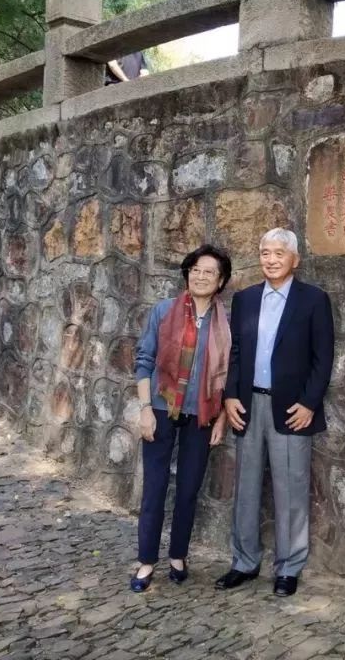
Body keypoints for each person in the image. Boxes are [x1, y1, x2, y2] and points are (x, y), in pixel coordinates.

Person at [214, 228, 335, 597]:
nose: (270, 259)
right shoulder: (246, 299)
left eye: (278, 253)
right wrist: (230, 397)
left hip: (292, 407)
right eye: (265, 252)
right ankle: (244, 561)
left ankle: (289, 567)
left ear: (294, 259)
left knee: (291, 488)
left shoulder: (314, 300)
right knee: (246, 486)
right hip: (249, 404)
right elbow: (234, 354)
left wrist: (310, 403)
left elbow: (323, 357)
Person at [131, 244, 232, 592]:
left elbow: (229, 376)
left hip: (201, 414)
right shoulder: (163, 312)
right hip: (161, 408)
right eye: (196, 270)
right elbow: (144, 360)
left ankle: (178, 555)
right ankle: (146, 561)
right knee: (155, 488)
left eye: (209, 272)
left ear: (220, 282)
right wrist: (145, 409)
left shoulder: (226, 323)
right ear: (187, 274)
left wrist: (220, 420)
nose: (201, 276)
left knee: (189, 489)